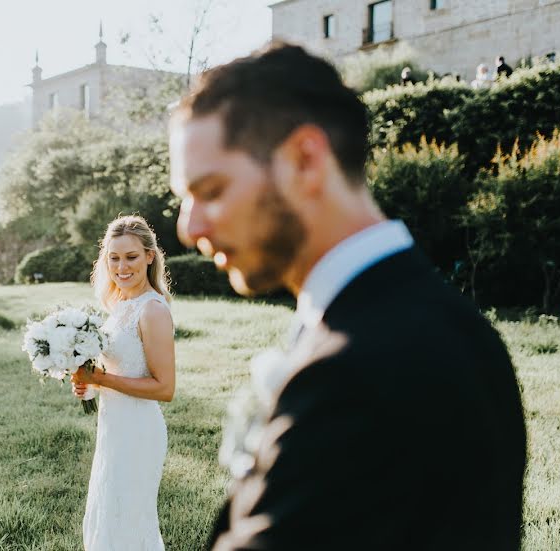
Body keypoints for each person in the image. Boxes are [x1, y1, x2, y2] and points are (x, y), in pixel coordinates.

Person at [167, 41, 526, 550]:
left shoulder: (357, 369)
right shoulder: (458, 327)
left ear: (305, 161)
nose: (188, 227)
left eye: (211, 191)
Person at [71, 215, 176, 550]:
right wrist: (89, 384)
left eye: (131, 257)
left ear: (149, 256)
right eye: (113, 258)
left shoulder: (152, 311)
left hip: (139, 431)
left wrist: (101, 378)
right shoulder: (119, 305)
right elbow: (120, 368)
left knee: (130, 521)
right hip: (113, 426)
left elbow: (164, 388)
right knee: (108, 515)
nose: (121, 266)